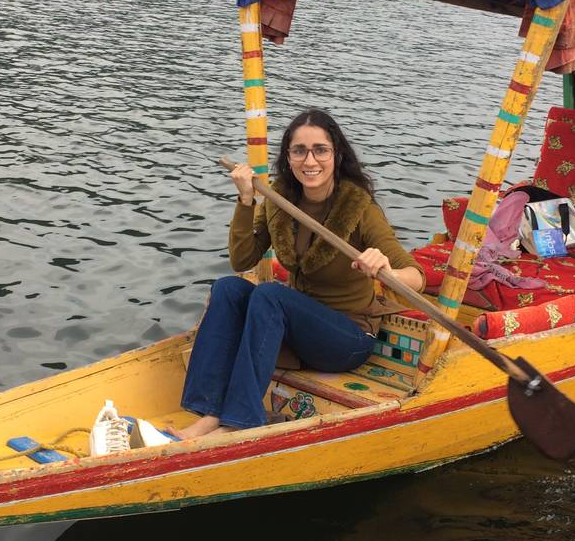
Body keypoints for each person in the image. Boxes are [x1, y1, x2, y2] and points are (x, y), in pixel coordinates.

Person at [178, 109, 424, 439]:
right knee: (228, 289)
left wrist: (385, 269)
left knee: (270, 295)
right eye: (299, 151)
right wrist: (246, 199)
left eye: (320, 150)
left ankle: (240, 421)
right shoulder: (281, 201)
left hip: (347, 339)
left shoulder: (359, 208)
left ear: (336, 154)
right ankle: (209, 413)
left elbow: (417, 277)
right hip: (296, 331)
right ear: (289, 157)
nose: (310, 160)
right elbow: (242, 259)